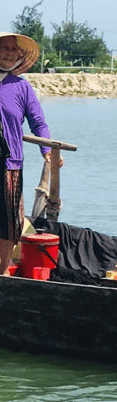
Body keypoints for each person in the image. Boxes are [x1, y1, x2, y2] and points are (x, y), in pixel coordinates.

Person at [0, 32, 54, 275]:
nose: (10, 53)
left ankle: (1, 276)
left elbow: (38, 123)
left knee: (8, 227)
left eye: (14, 49)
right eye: (4, 47)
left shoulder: (21, 87)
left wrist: (48, 151)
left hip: (9, 167)